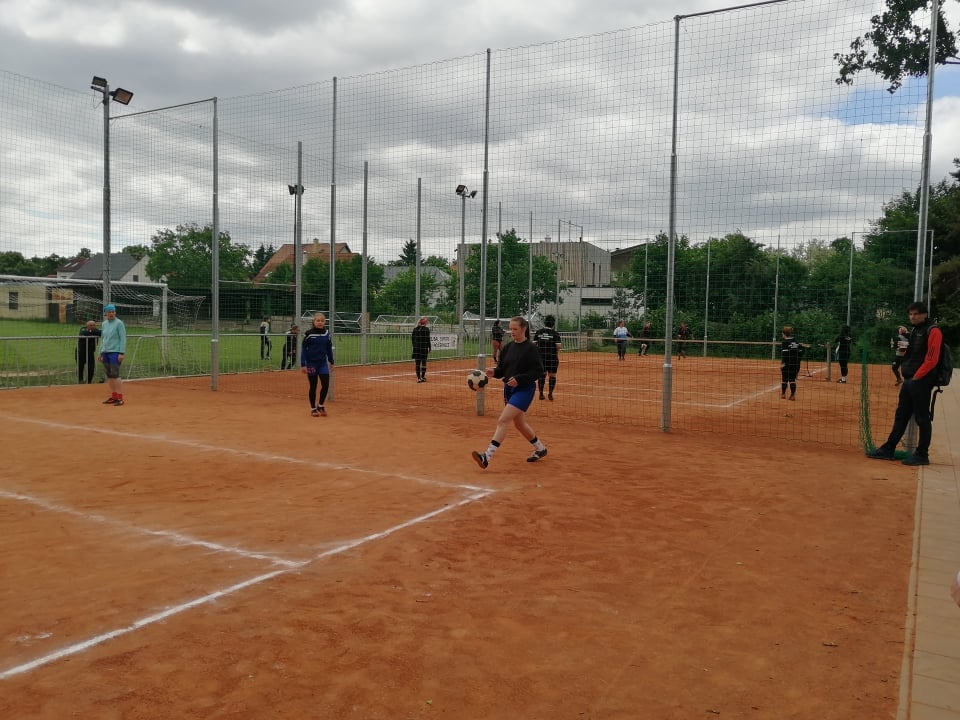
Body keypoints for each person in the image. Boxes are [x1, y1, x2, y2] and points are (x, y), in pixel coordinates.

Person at [867, 301, 943, 466]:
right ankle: (888, 449)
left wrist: (917, 377)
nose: (912, 317)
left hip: (921, 381)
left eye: (916, 314)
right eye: (910, 314)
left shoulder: (933, 331)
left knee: (922, 418)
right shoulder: (915, 330)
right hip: (910, 380)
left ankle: (922, 454)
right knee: (901, 415)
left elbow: (932, 359)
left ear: (924, 314)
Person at [471, 315, 548, 469]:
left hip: (524, 389)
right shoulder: (507, 347)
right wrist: (494, 372)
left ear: (524, 329)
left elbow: (538, 371)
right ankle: (540, 448)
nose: (512, 332)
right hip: (509, 389)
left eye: (515, 329)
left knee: (503, 421)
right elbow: (503, 369)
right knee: (519, 424)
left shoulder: (531, 349)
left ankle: (486, 456)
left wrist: (520, 379)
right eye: (510, 329)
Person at [300, 312, 335, 417]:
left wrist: (331, 361)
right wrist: (303, 364)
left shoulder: (327, 334)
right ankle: (313, 408)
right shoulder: (309, 334)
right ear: (313, 321)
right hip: (311, 364)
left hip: (323, 364)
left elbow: (329, 349)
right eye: (318, 320)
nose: (320, 322)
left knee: (325, 384)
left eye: (322, 321)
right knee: (313, 386)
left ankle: (320, 405)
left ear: (325, 322)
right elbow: (304, 349)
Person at [99, 304, 127, 406]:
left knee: (115, 375)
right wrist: (100, 352)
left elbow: (123, 338)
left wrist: (121, 352)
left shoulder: (119, 323)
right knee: (109, 375)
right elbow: (103, 339)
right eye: (109, 312)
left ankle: (120, 398)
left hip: (115, 352)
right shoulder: (104, 324)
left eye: (113, 312)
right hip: (105, 352)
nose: (111, 314)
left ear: (115, 312)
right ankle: (114, 396)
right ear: (106, 313)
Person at [533, 314, 562, 401]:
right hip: (552, 357)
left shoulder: (538, 332)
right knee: (552, 375)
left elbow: (533, 345)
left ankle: (541, 394)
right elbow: (558, 346)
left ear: (544, 322)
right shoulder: (555, 333)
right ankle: (550, 393)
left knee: (542, 375)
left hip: (541, 357)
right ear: (553, 324)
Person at [779, 325, 806, 401]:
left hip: (787, 363)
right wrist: (798, 362)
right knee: (792, 380)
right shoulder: (796, 341)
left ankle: (783, 394)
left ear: (784, 334)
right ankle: (792, 395)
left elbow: (785, 354)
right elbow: (800, 352)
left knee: (784, 379)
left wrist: (783, 363)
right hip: (795, 363)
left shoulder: (785, 342)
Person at [76, 320, 101, 384]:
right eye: (90, 325)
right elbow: (84, 333)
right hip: (80, 351)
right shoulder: (82, 329)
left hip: (90, 352)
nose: (92, 326)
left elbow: (101, 333)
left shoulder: (96, 330)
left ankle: (89, 381)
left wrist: (91, 331)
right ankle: (80, 380)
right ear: (86, 325)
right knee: (80, 366)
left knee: (91, 367)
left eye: (94, 325)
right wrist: (93, 332)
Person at [411, 317, 431, 383]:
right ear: (425, 323)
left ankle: (418, 378)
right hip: (424, 349)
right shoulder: (426, 329)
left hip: (416, 349)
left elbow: (412, 339)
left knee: (417, 364)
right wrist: (429, 347)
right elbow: (428, 339)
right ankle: (422, 377)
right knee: (424, 363)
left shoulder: (415, 329)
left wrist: (414, 346)